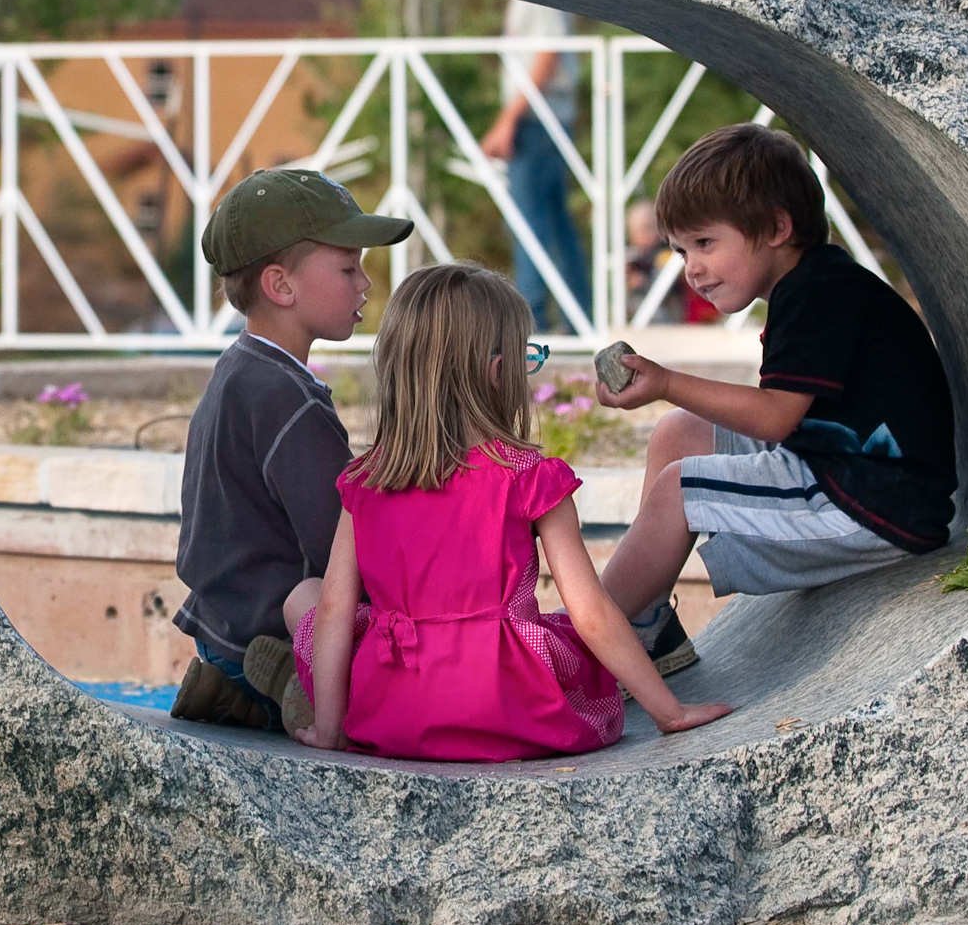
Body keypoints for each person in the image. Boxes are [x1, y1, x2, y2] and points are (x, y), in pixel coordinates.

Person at [288, 262, 732, 761]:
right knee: (567, 637)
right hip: (513, 713)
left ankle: (303, 703)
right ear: (498, 373)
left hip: (396, 714)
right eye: (527, 358)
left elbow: (333, 609)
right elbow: (592, 612)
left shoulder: (367, 480)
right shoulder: (528, 475)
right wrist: (668, 713)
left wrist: (331, 731)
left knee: (303, 600)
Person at [594, 124, 959, 675]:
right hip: (849, 477)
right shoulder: (810, 285)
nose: (691, 268)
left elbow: (774, 418)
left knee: (681, 489)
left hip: (874, 505)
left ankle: (584, 649)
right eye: (680, 250)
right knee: (679, 434)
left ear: (776, 227)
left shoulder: (820, 294)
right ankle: (646, 627)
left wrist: (666, 382)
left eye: (705, 244)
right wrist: (671, 398)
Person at [169, 168, 413, 732]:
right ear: (281, 286)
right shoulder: (291, 400)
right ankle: (289, 683)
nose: (365, 285)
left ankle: (237, 682)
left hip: (221, 628)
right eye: (349, 268)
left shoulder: (239, 370)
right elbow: (343, 545)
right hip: (269, 634)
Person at [480, 0, 590, 332]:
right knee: (552, 223)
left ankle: (532, 321)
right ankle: (575, 317)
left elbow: (547, 54)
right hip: (542, 116)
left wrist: (509, 118)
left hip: (538, 118)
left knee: (530, 224)